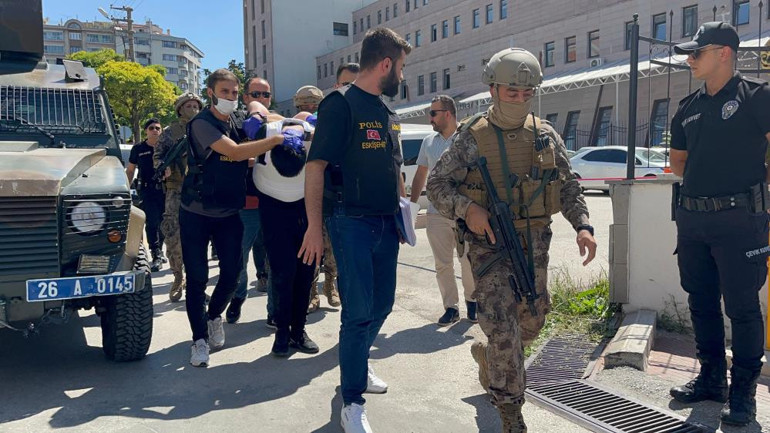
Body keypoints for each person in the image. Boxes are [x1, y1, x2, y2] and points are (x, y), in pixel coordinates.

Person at [426, 47, 597, 432]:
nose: (519, 100)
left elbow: (569, 185)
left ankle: (491, 361)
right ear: (492, 89)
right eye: (511, 92)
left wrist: (583, 226)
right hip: (488, 244)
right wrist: (468, 208)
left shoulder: (545, 135)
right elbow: (437, 184)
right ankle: (510, 415)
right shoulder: (472, 137)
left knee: (532, 321)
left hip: (534, 244)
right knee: (504, 328)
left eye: (526, 93)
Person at [300, 27, 411, 433]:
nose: (402, 74)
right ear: (385, 64)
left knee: (382, 305)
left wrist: (402, 216)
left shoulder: (385, 110)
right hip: (349, 221)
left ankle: (357, 368)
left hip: (385, 223)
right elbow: (315, 167)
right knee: (358, 311)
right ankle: (352, 400)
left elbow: (394, 168)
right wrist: (315, 228)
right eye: (401, 66)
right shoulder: (339, 105)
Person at [668, 22, 769, 427]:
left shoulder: (758, 97)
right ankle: (711, 378)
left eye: (697, 53)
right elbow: (678, 164)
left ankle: (743, 392)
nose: (690, 60)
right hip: (693, 220)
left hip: (740, 220)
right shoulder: (687, 107)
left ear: (724, 53)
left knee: (743, 307)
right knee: (701, 300)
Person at [180, 68, 295, 367]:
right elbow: (234, 151)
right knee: (197, 279)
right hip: (195, 213)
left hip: (228, 212)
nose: (230, 97)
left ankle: (214, 316)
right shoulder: (201, 124)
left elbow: (262, 118)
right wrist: (276, 141)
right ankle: (199, 340)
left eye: (234, 93)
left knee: (231, 276)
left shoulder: (235, 119)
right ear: (210, 93)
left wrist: (287, 120)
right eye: (224, 92)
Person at [252, 113, 320, 357]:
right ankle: (281, 331)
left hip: (305, 203)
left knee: (305, 272)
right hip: (272, 206)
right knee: (282, 273)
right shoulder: (265, 133)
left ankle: (299, 331)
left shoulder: (315, 136)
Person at [409, 95, 476, 326]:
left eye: (433, 113)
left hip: (464, 212)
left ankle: (473, 302)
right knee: (442, 263)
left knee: (468, 259)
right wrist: (412, 206)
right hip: (436, 214)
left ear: (448, 113)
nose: (430, 118)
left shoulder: (468, 138)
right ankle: (451, 307)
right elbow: (420, 174)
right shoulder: (428, 142)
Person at [225, 77, 273, 324]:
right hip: (246, 204)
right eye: (256, 94)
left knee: (277, 259)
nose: (262, 100)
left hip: (275, 202)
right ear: (245, 98)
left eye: (266, 95)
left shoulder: (276, 122)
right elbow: (231, 156)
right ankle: (238, 296)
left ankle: (275, 312)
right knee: (238, 258)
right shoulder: (234, 123)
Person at [154, 92, 203, 302]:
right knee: (173, 233)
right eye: (188, 105)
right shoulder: (169, 132)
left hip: (200, 190)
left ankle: (197, 284)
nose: (192, 109)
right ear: (180, 109)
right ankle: (177, 275)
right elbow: (158, 156)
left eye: (196, 105)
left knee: (199, 238)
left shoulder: (207, 128)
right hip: (176, 190)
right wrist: (162, 168)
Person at [126, 118, 166, 272]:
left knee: (164, 222)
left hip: (165, 189)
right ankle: (155, 254)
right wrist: (126, 189)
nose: (155, 130)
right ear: (146, 131)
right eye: (151, 128)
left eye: (157, 128)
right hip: (147, 190)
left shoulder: (166, 148)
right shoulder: (138, 149)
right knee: (152, 222)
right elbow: (130, 170)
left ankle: (160, 249)